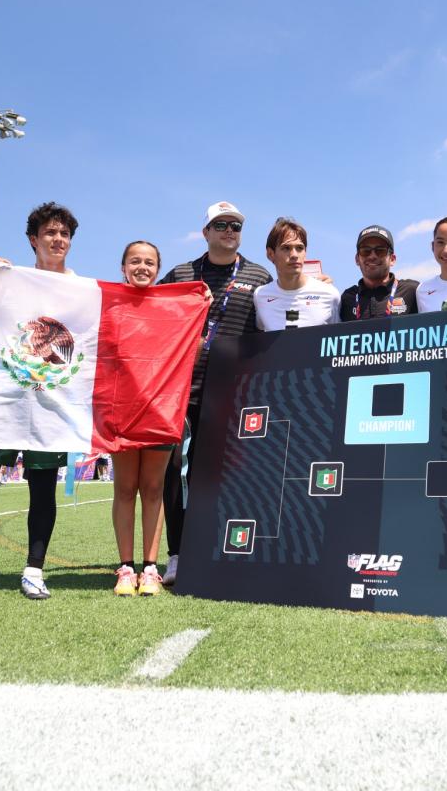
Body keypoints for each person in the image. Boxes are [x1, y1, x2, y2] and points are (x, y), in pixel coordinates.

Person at [0, 202, 77, 603]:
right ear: (33, 240)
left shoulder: (81, 289)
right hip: (2, 396)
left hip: (50, 402)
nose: (58, 239)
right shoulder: (10, 280)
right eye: (50, 232)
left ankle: (34, 571)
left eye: (64, 234)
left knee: (42, 491)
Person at [158, 201, 273, 584]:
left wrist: (316, 282)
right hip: (182, 391)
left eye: (235, 226)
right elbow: (148, 309)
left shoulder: (259, 275)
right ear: (205, 231)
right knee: (176, 473)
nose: (229, 231)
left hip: (233, 393)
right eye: (220, 225)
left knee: (225, 475)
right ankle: (177, 554)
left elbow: (279, 310)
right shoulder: (182, 274)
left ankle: (220, 551)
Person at [107, 240, 180, 597]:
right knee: (125, 488)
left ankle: (150, 568)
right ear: (123, 267)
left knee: (152, 489)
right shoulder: (109, 304)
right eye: (135, 261)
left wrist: (200, 302)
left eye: (149, 262)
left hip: (159, 409)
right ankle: (126, 567)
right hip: (120, 409)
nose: (142, 267)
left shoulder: (172, 308)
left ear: (157, 269)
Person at [253, 218, 340, 330]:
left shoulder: (329, 294)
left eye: (299, 248)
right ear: (270, 254)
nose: (294, 255)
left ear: (305, 253)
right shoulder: (260, 295)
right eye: (286, 248)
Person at [338, 225, 419, 320]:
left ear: (392, 259)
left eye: (380, 251)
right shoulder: (347, 298)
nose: (372, 256)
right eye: (365, 251)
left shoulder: (412, 291)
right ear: (357, 259)